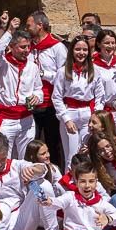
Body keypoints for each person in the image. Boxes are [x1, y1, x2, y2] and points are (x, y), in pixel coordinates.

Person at [0, 24, 42, 158]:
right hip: (6, 119)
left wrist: (37, 97)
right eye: (22, 47)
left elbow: (38, 89)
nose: (27, 50)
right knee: (4, 157)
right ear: (11, 47)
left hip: (27, 118)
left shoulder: (32, 66)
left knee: (26, 158)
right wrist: (9, 31)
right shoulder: (1, 64)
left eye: (28, 47)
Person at [27, 10, 67, 167]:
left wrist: (44, 74)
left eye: (29, 25)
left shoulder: (57, 48)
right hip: (32, 103)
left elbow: (64, 75)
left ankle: (55, 177)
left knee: (52, 144)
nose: (27, 28)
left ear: (40, 25)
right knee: (33, 145)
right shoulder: (28, 47)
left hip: (50, 104)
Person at [51, 37, 98, 166]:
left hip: (88, 115)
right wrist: (66, 119)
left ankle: (85, 182)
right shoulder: (63, 71)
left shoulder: (94, 71)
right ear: (72, 51)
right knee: (71, 155)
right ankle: (69, 184)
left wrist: (95, 116)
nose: (81, 53)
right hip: (70, 113)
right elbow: (56, 97)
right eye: (77, 49)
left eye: (84, 49)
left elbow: (100, 96)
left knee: (85, 152)